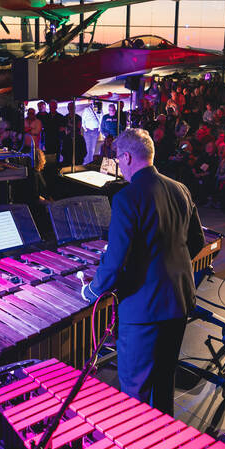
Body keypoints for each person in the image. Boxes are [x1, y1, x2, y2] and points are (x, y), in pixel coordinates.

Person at [79, 129, 204, 415]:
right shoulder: (180, 189)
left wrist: (92, 290)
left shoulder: (127, 197)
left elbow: (115, 261)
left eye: (118, 159)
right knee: (163, 383)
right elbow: (196, 241)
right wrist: (166, 268)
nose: (118, 165)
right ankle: (164, 440)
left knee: (136, 392)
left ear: (126, 157)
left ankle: (138, 443)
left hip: (143, 310)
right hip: (179, 301)